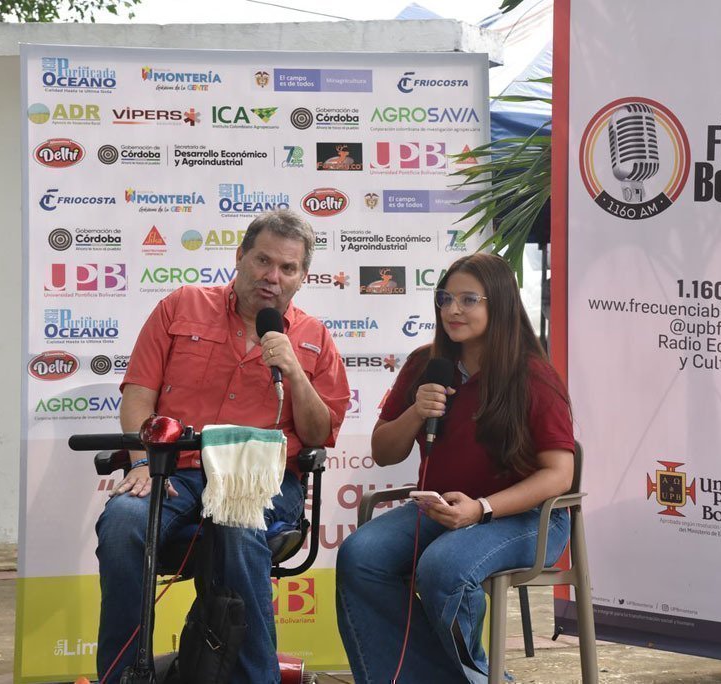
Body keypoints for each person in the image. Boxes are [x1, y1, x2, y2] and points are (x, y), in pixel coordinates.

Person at [95, 209, 350, 683]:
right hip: (174, 471)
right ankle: (125, 674)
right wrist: (140, 463)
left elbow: (318, 434)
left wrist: (295, 372)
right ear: (240, 257)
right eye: (262, 261)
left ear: (302, 277)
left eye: (287, 268)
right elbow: (138, 397)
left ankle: (257, 679)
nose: (272, 277)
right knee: (121, 523)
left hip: (263, 480)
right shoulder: (181, 306)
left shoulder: (314, 339)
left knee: (236, 521)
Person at [336, 253, 576, 683]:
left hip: (523, 517)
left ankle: (482, 678)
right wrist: (415, 411)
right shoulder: (424, 364)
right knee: (361, 556)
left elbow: (559, 474)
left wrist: (481, 508)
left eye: (468, 300)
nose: (453, 310)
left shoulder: (533, 375)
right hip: (442, 509)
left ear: (498, 304)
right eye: (446, 298)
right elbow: (384, 451)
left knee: (443, 567)